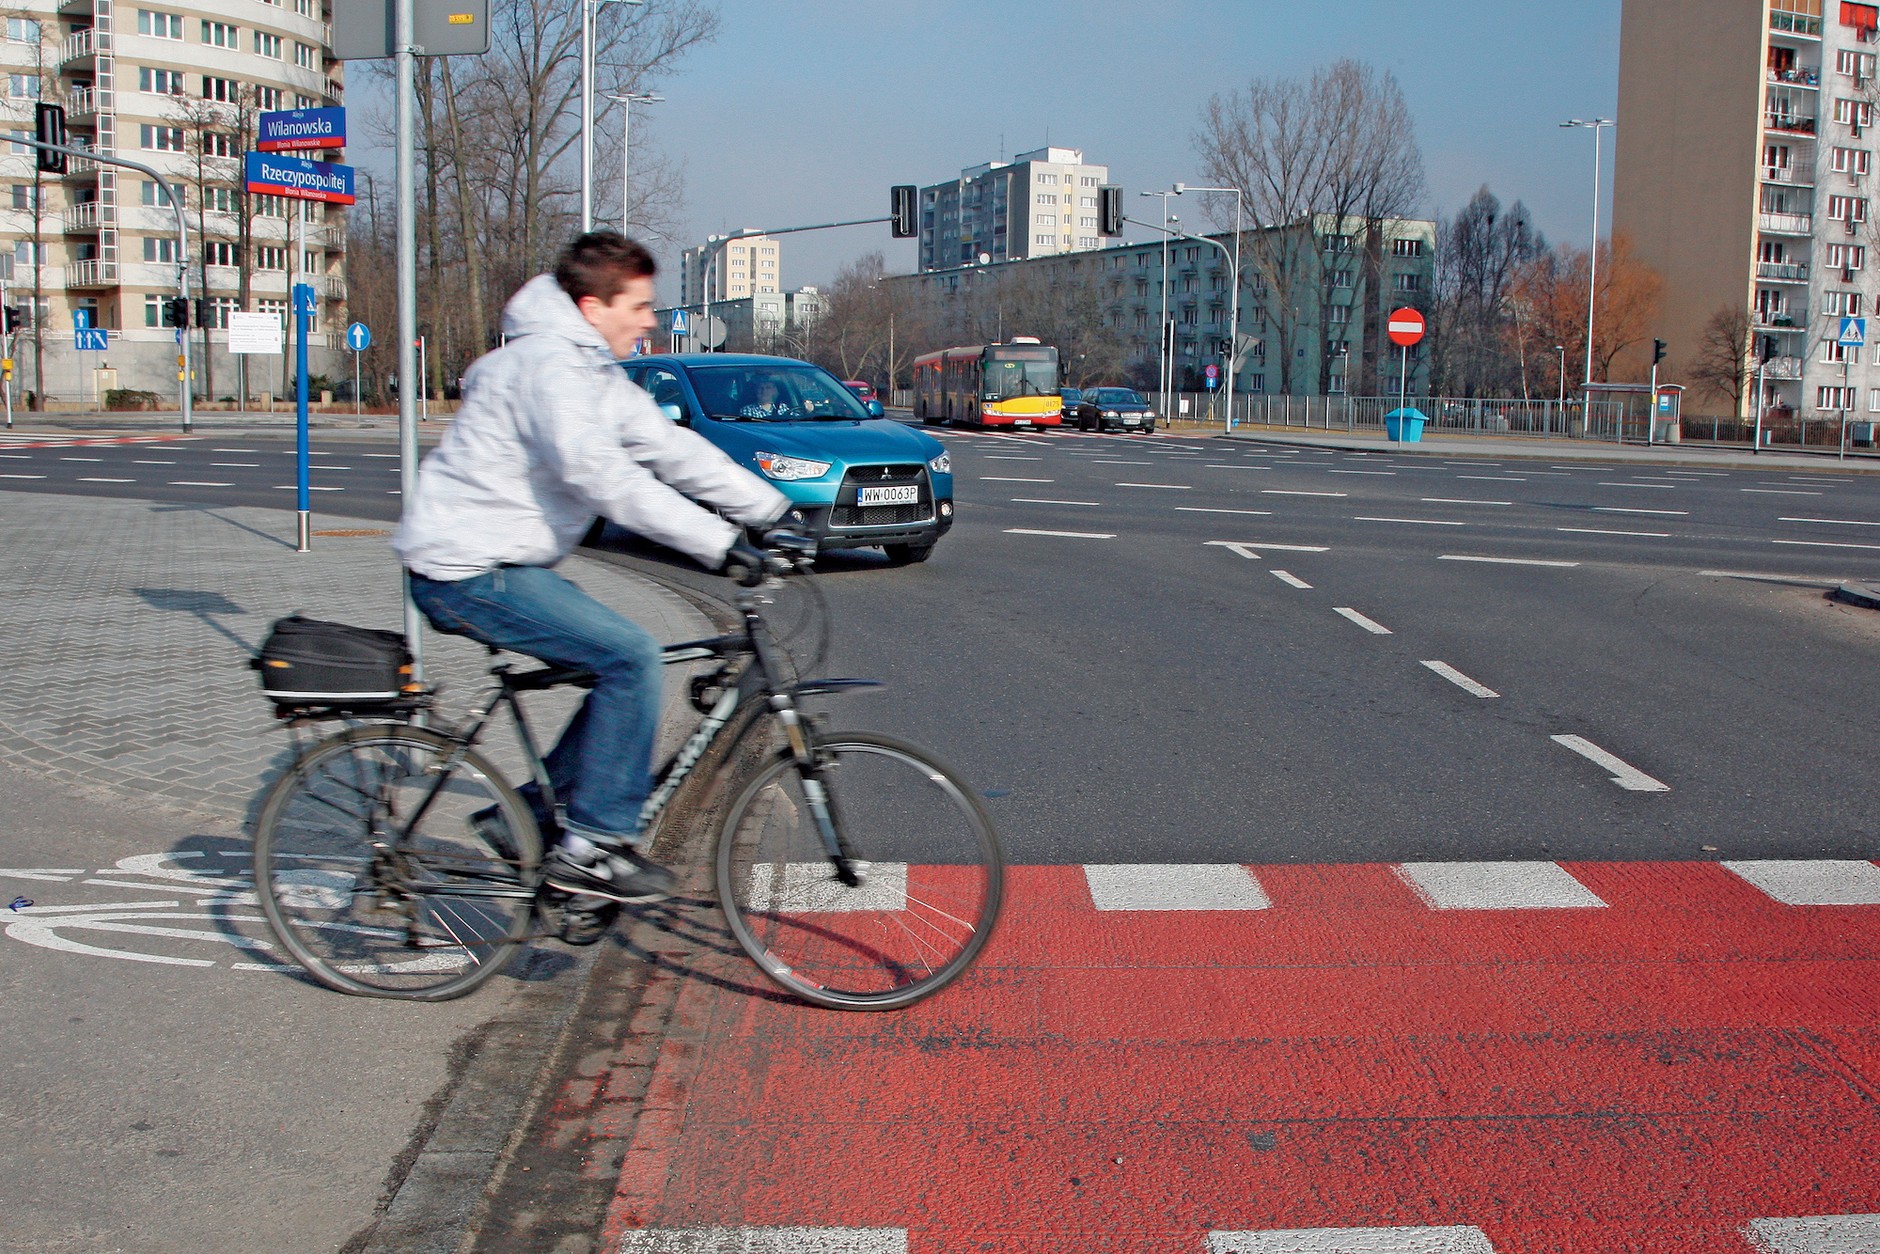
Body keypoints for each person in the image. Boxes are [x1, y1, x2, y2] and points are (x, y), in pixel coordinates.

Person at [393, 232, 788, 933]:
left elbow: (669, 448)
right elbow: (602, 476)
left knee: (622, 662)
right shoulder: (546, 368)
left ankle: (526, 820)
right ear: (591, 306)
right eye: (638, 306)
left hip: (504, 562)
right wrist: (719, 544)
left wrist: (773, 513)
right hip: (462, 569)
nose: (650, 321)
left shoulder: (588, 370)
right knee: (629, 656)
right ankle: (593, 848)